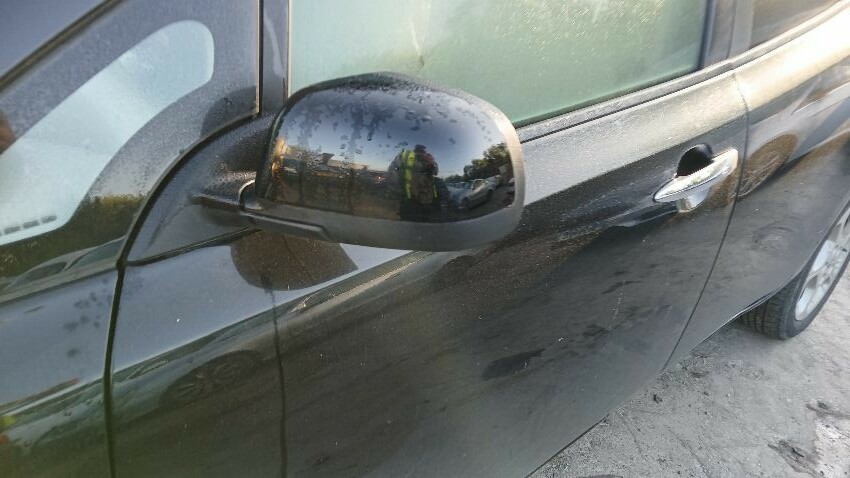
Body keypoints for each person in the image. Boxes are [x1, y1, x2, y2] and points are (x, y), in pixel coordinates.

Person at [390, 144, 441, 221]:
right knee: (407, 222)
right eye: (419, 150)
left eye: (423, 150)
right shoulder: (405, 156)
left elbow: (435, 172)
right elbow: (393, 170)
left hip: (427, 198)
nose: (421, 152)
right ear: (415, 149)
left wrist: (432, 162)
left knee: (426, 221)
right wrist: (397, 192)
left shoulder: (428, 159)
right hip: (409, 198)